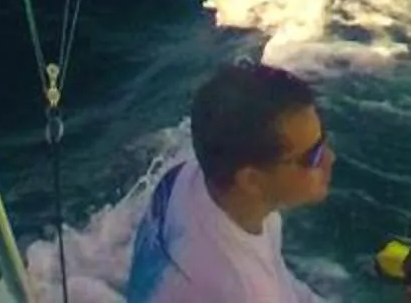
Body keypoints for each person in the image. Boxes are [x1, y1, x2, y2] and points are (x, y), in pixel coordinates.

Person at [126, 61, 333, 302]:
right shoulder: (245, 291)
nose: (330, 158)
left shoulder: (185, 176)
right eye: (313, 156)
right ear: (252, 180)